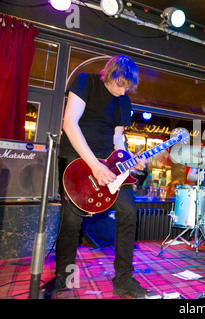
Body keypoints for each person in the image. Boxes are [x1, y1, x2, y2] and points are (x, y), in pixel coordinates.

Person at [44, 56, 150, 298]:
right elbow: (70, 124)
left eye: (126, 87)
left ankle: (123, 278)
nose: (122, 90)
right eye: (119, 84)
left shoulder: (123, 100)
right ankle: (64, 277)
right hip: (80, 162)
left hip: (109, 164)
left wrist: (129, 160)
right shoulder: (85, 82)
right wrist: (94, 165)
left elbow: (118, 140)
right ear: (109, 74)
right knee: (71, 221)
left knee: (129, 213)